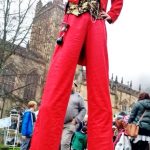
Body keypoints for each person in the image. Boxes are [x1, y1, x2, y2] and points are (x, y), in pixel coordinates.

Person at [30, 0, 123, 148]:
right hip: (73, 18)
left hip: (96, 19)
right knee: (56, 84)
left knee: (100, 90)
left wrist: (113, 13)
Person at [61, 82, 86, 150]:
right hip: (59, 123)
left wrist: (76, 119)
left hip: (70, 124)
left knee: (64, 144)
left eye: (71, 84)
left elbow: (83, 109)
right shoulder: (63, 94)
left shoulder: (78, 97)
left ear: (75, 86)